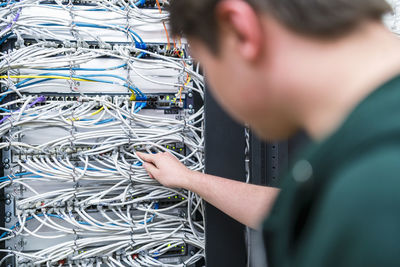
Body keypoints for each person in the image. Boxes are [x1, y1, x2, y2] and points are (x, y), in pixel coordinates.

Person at [137, 0, 400, 266]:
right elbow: (293, 210)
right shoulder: (363, 161)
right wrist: (188, 179)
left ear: (240, 30)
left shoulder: (374, 195)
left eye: (205, 66)